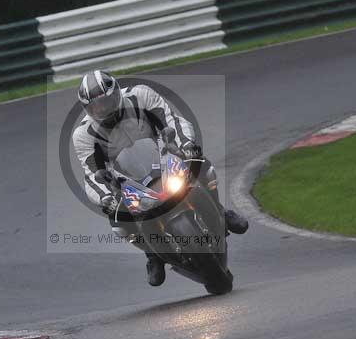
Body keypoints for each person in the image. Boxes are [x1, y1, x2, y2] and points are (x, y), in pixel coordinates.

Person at [72, 70, 248, 287]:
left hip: (163, 157)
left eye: (107, 101)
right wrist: (105, 196)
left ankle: (221, 212)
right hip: (126, 180)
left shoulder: (140, 96)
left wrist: (186, 144)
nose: (104, 109)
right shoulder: (83, 135)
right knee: (117, 218)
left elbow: (172, 120)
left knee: (201, 163)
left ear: (116, 93)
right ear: (87, 109)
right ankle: (152, 254)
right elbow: (91, 172)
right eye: (96, 107)